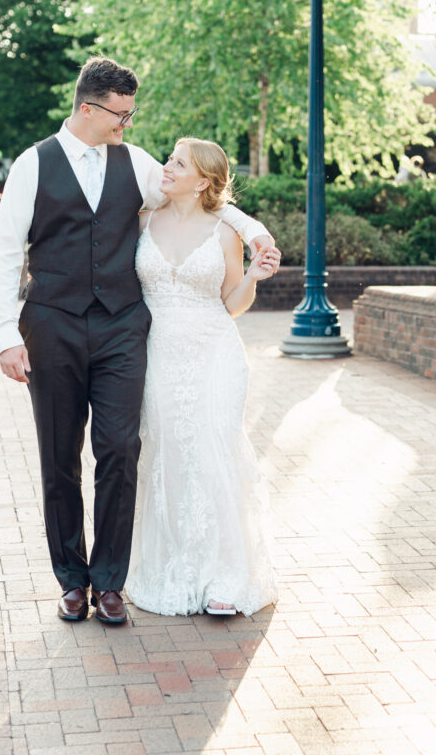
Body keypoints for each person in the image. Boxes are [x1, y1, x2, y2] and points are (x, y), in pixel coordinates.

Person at [0, 57, 277, 626]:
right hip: (52, 324)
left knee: (120, 450)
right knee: (59, 456)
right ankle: (71, 580)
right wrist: (5, 335)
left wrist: (255, 232)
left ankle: (111, 581)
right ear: (89, 109)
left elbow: (204, 199)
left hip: (123, 327)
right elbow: (4, 250)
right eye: (121, 114)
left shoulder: (138, 162)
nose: (128, 123)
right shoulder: (33, 165)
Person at [126, 138, 279, 617]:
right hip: (157, 353)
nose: (166, 167)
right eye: (170, 159)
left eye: (178, 163)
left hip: (215, 353)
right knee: (167, 453)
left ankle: (225, 577)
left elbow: (231, 305)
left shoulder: (224, 231)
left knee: (213, 450)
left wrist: (254, 276)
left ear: (204, 181)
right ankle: (176, 565)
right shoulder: (143, 220)